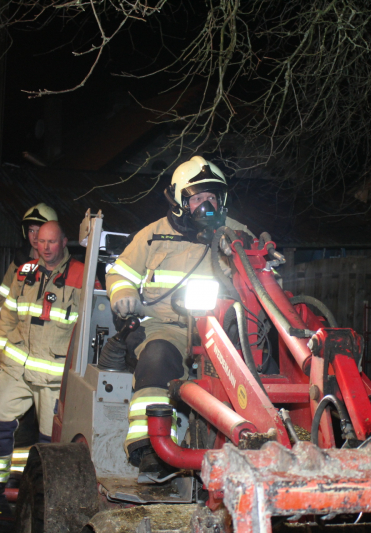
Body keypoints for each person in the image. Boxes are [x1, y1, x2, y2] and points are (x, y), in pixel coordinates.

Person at [104, 155, 253, 476]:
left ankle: (254, 444)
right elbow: (120, 274)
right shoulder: (153, 236)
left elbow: (263, 277)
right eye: (198, 198)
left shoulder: (235, 235)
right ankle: (150, 448)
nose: (207, 205)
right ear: (180, 200)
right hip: (166, 327)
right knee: (156, 360)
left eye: (213, 197)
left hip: (222, 331)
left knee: (257, 372)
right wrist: (124, 294)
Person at [0, 221, 85, 500]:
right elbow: (7, 317)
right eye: (41, 242)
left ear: (64, 242)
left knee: (51, 443)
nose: (45, 248)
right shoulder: (23, 273)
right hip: (17, 369)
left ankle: (47, 496)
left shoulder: (82, 276)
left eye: (52, 242)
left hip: (53, 378)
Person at [0, 203, 59, 309]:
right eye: (31, 230)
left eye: (39, 230)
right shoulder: (19, 262)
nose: (35, 236)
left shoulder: (60, 264)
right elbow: (2, 296)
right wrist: (12, 323)